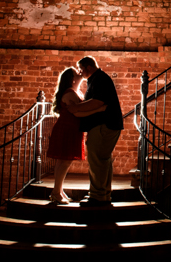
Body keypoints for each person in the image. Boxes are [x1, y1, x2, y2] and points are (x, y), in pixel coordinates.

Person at [45, 67, 106, 205]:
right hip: (67, 129)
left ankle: (58, 191)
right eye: (76, 73)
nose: (80, 73)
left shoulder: (74, 92)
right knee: (64, 161)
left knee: (63, 161)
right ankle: (56, 192)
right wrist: (100, 109)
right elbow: (78, 113)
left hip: (71, 129)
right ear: (72, 79)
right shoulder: (70, 93)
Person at [76, 56, 123, 207]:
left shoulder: (99, 79)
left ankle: (97, 197)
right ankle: (103, 195)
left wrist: (75, 109)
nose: (80, 72)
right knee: (102, 160)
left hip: (104, 124)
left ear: (88, 67)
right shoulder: (98, 78)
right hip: (106, 124)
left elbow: (97, 102)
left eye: (81, 69)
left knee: (96, 160)